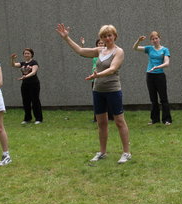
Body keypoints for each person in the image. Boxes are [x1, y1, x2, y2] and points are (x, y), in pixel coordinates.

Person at [56, 23, 131, 164]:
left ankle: (126, 153)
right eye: (104, 36)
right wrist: (66, 38)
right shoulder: (100, 50)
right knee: (101, 123)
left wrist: (97, 75)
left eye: (109, 35)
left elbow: (113, 69)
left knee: (119, 121)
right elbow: (80, 50)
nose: (107, 38)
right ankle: (102, 152)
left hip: (113, 90)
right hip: (98, 91)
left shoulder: (119, 51)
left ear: (115, 36)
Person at [133, 32, 172, 125]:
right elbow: (135, 48)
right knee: (153, 99)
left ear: (159, 38)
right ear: (151, 41)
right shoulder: (149, 49)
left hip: (160, 76)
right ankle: (155, 119)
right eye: (153, 39)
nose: (155, 40)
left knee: (163, 98)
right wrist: (138, 40)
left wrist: (158, 67)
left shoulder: (165, 50)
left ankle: (167, 120)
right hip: (150, 75)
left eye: (156, 38)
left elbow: (167, 63)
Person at [10, 48, 43, 125]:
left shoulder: (34, 62)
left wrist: (25, 76)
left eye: (28, 53)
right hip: (25, 84)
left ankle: (38, 118)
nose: (26, 55)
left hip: (34, 84)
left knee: (35, 101)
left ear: (31, 54)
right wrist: (12, 59)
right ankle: (27, 118)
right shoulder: (22, 63)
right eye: (25, 53)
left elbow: (34, 72)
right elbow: (13, 65)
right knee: (26, 101)